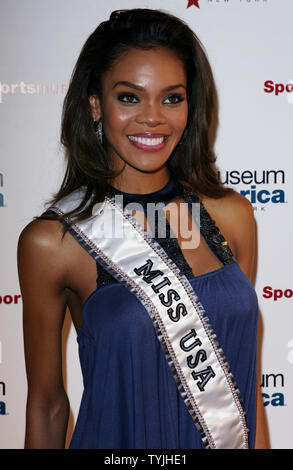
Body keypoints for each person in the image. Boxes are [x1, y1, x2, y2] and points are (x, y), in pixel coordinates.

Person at [17, 8, 269, 449]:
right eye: (130, 97)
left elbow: (242, 389)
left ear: (190, 105)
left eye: (172, 97)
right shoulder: (52, 243)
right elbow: (47, 405)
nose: (153, 117)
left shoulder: (233, 217)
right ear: (96, 104)